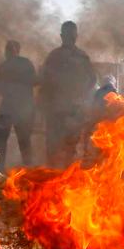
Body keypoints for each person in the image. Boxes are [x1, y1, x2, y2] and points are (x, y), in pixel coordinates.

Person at [41, 21, 96, 165]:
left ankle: (55, 179)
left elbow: (44, 83)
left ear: (61, 36)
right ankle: (66, 180)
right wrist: (82, 98)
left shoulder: (54, 56)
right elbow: (92, 80)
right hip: (74, 110)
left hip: (57, 111)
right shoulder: (82, 57)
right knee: (71, 150)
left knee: (54, 149)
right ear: (76, 36)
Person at [0, 40, 35, 172]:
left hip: (8, 107)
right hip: (22, 108)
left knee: (0, 141)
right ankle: (29, 170)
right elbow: (34, 81)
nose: (6, 52)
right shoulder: (26, 63)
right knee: (24, 141)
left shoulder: (4, 66)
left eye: (7, 49)